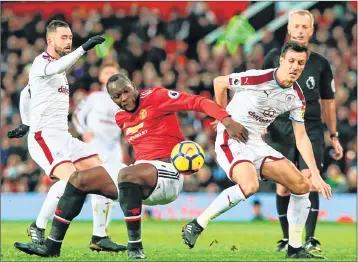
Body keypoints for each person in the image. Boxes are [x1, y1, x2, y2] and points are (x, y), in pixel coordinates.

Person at [14, 74, 248, 259]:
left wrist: (227, 121)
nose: (124, 98)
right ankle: (52, 245)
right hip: (140, 176)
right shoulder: (120, 118)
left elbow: (198, 102)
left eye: (126, 91)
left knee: (127, 173)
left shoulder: (156, 97)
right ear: (113, 99)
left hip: (169, 175)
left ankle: (135, 247)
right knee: (78, 180)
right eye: (117, 96)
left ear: (133, 86)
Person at [182, 42, 332, 259]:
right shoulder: (258, 78)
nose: (295, 67)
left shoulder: (297, 97)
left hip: (256, 143)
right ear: (281, 61)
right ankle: (196, 224)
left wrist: (316, 175)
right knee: (250, 185)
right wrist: (224, 118)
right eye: (290, 61)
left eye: (300, 63)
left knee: (301, 185)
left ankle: (295, 248)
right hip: (232, 137)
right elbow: (220, 82)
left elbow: (301, 136)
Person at [7, 20, 125, 252]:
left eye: (70, 37)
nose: (69, 41)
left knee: (103, 173)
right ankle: (38, 226)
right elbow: (55, 69)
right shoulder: (42, 63)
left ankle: (99, 236)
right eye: (64, 37)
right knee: (72, 181)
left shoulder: (58, 72)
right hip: (44, 137)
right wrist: (83, 48)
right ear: (50, 40)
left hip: (64, 137)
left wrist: (24, 121)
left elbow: (25, 93)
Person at [261, 10, 343, 252]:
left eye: (304, 27)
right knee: (283, 185)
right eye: (295, 26)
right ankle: (287, 239)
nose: (299, 30)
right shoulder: (274, 57)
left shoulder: (320, 63)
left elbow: (328, 101)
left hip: (311, 127)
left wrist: (334, 135)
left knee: (310, 178)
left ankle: (310, 238)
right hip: (280, 126)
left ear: (311, 31)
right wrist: (262, 122)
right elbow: (262, 91)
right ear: (288, 28)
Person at [72, 62, 123, 241]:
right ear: (101, 77)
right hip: (96, 145)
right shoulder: (94, 97)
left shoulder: (124, 98)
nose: (109, 74)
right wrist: (84, 131)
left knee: (118, 188)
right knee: (98, 187)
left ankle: (104, 230)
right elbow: (77, 115)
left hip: (114, 146)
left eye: (113, 72)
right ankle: (98, 232)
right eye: (107, 72)